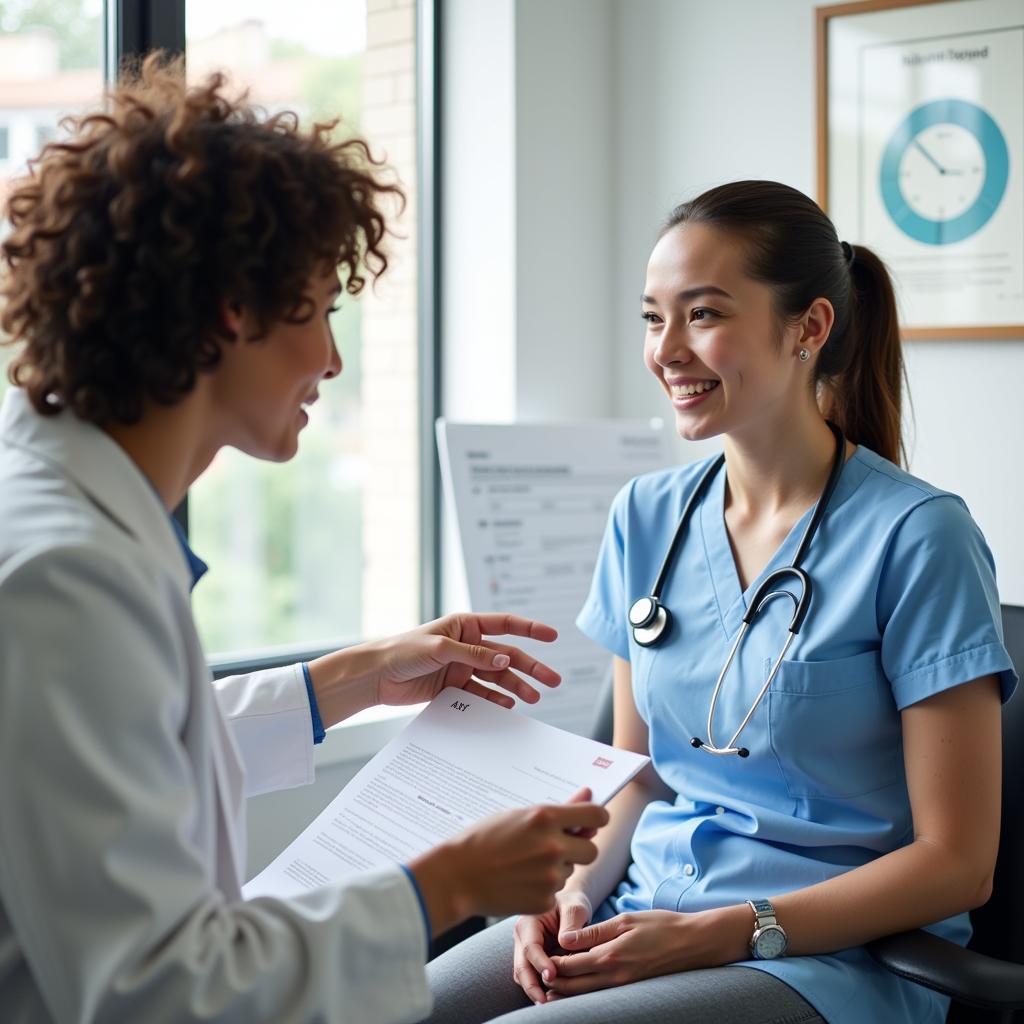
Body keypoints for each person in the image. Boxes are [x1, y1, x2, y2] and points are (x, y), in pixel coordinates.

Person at [0, 57, 609, 1024]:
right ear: (233, 309)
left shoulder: (62, 504)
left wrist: (351, 679)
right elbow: (153, 992)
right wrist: (445, 886)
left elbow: (123, 745)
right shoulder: (66, 573)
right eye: (323, 308)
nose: (330, 357)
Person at [422, 180, 1018, 1024]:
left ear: (809, 327)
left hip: (831, 959)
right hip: (647, 905)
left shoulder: (919, 537)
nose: (667, 349)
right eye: (651, 317)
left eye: (702, 315)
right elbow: (639, 776)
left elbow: (958, 865)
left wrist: (721, 934)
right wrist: (569, 893)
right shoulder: (647, 516)